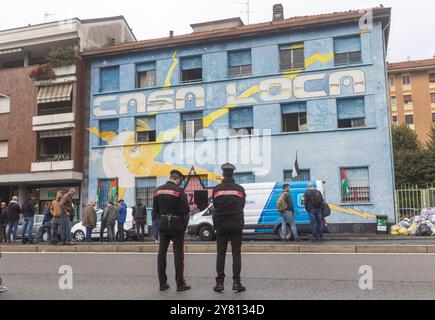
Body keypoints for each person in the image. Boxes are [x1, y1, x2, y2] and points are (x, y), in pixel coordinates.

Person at [154, 170, 190, 292]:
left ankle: (162, 284)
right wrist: (183, 225)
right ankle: (180, 284)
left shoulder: (158, 190)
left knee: (161, 255)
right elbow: (185, 210)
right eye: (180, 181)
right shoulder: (179, 191)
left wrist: (161, 220)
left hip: (163, 225)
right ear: (178, 179)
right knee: (178, 256)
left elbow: (155, 210)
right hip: (177, 226)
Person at [212, 163, 246, 293]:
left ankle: (219, 283)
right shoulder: (240, 189)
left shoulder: (216, 189)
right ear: (233, 174)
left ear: (222, 174)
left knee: (221, 254)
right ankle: (236, 282)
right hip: (236, 225)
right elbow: (242, 206)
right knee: (236, 254)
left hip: (221, 225)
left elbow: (215, 206)